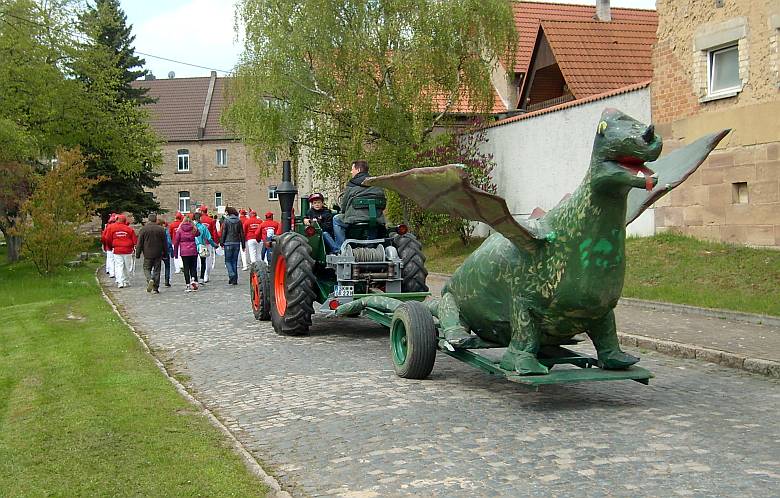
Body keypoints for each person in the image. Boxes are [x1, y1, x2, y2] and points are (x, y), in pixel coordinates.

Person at [332, 159, 386, 249]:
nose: (351, 172)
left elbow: (344, 206)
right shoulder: (377, 184)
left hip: (355, 221)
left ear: (358, 170)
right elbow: (383, 205)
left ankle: (341, 248)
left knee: (336, 219)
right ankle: (371, 245)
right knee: (374, 225)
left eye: (352, 169)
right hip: (377, 220)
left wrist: (343, 211)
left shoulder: (352, 185)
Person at [135, 213, 167, 293]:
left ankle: (150, 280)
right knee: (157, 270)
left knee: (146, 268)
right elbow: (164, 243)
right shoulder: (161, 229)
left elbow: (139, 243)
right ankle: (155, 288)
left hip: (147, 253)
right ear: (156, 220)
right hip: (158, 253)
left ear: (148, 220)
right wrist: (165, 253)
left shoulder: (144, 229)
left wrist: (138, 253)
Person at [107, 214, 137, 288]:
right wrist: (134, 247)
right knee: (127, 266)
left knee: (119, 265)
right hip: (127, 250)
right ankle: (126, 280)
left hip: (117, 249)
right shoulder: (129, 229)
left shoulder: (111, 227)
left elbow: (108, 238)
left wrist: (110, 247)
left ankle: (120, 281)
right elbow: (134, 240)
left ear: (117, 219)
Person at [220, 206, 245, 285]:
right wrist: (243, 244)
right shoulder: (239, 221)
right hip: (236, 242)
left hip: (228, 242)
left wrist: (221, 242)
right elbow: (241, 234)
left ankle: (231, 274)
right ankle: (234, 280)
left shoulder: (226, 221)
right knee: (234, 261)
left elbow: (224, 232)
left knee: (228, 261)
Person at [174, 216, 199, 292]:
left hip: (184, 251)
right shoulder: (193, 228)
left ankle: (188, 285)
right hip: (193, 250)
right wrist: (194, 226)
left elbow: (176, 241)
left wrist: (175, 253)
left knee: (186, 268)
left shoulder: (180, 230)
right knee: (193, 267)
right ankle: (193, 279)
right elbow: (198, 234)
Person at [193, 212, 218, 283]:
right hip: (202, 245)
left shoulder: (191, 226)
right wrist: (214, 245)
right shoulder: (203, 227)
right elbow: (209, 238)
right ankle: (202, 278)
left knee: (194, 263)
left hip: (192, 246)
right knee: (203, 262)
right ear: (199, 218)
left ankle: (194, 278)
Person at [198, 205, 219, 276]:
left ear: (201, 211)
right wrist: (216, 242)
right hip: (209, 242)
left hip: (200, 241)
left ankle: (202, 274)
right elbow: (214, 232)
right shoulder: (211, 220)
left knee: (201, 257)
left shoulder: (198, 220)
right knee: (208, 258)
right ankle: (207, 274)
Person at [101, 213, 117, 278]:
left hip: (109, 245)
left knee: (110, 259)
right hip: (116, 245)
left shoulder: (107, 226)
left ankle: (110, 271)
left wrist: (105, 244)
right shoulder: (118, 226)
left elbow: (104, 237)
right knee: (116, 260)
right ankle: (115, 271)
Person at [159, 217, 173, 287]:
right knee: (167, 266)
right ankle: (167, 281)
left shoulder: (156, 231)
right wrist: (171, 250)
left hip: (157, 251)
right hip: (165, 251)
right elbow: (169, 242)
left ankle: (154, 279)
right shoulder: (165, 231)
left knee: (156, 266)